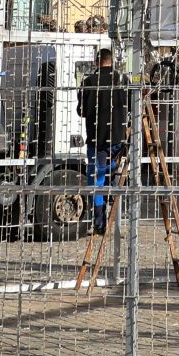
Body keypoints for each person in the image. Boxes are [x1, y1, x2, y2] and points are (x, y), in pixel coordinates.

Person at [78, 47, 131, 233]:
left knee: (96, 181)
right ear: (112, 62)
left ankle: (100, 223)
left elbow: (81, 111)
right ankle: (114, 212)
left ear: (96, 62)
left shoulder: (88, 82)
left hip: (96, 141)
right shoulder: (122, 80)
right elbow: (131, 105)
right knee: (112, 174)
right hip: (118, 140)